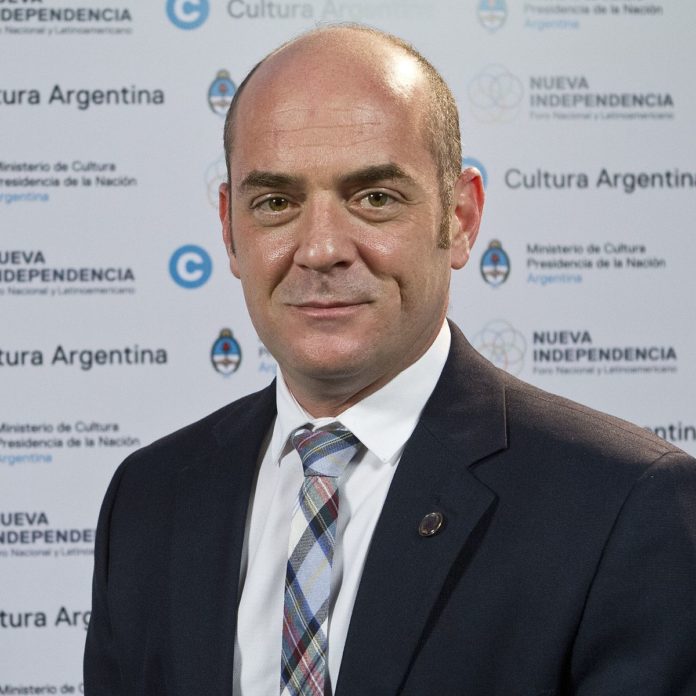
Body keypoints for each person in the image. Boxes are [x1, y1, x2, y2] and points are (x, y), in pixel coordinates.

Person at [84, 24, 696, 696]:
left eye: (374, 198)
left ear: (459, 218)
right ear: (230, 228)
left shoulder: (623, 505)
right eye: (277, 203)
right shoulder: (150, 497)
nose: (321, 250)